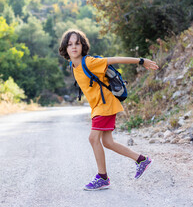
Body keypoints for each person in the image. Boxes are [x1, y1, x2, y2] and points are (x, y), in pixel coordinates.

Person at [59, 29, 159, 191]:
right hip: (99, 106)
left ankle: (102, 177)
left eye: (77, 43)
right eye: (70, 44)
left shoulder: (89, 62)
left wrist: (141, 61)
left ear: (83, 45)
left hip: (105, 105)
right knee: (107, 142)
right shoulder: (73, 65)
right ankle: (141, 160)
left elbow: (114, 60)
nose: (74, 47)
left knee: (93, 138)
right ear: (65, 48)